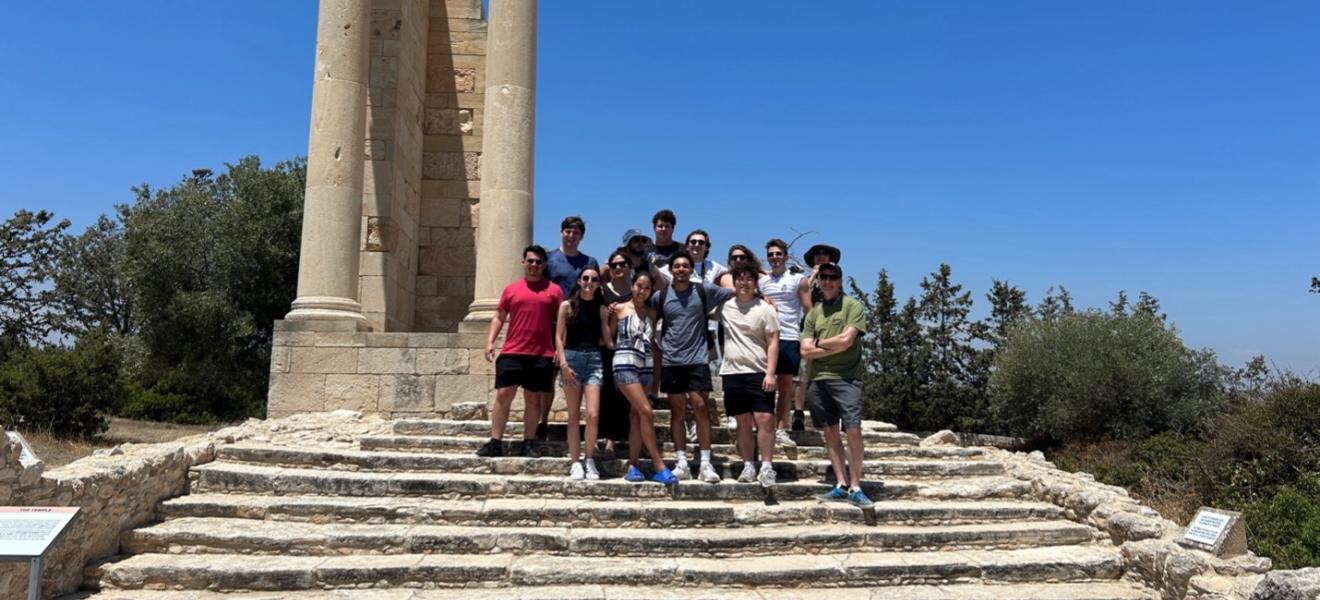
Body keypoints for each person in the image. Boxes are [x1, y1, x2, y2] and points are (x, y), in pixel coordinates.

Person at [650, 250, 734, 482]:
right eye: (676, 266)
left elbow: (732, 293)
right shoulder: (661, 295)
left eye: (685, 266)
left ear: (691, 269)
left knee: (701, 408)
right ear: (671, 270)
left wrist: (763, 295)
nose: (681, 270)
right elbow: (646, 310)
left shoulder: (703, 290)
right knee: (677, 413)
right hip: (671, 361)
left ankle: (706, 463)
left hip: (697, 359)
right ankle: (682, 462)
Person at [478, 245, 563, 459]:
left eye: (538, 262)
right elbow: (499, 316)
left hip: (542, 353)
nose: (534, 265)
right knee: (503, 395)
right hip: (513, 350)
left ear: (545, 265)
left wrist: (559, 349)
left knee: (533, 399)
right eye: (530, 261)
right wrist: (490, 341)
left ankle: (529, 442)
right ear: (523, 262)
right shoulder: (511, 289)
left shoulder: (554, 291)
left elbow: (561, 322)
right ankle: (495, 441)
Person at [800, 261, 873, 508]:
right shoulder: (814, 313)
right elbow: (804, 350)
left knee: (853, 429)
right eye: (823, 277)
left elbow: (847, 341)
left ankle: (856, 485)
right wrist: (829, 345)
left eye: (832, 277)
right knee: (829, 432)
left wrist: (818, 344)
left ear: (840, 280)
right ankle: (841, 483)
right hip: (819, 380)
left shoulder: (853, 307)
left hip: (847, 378)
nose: (827, 281)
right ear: (819, 281)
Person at [608, 272, 677, 485]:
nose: (642, 291)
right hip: (625, 362)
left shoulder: (651, 313)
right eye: (639, 286)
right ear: (632, 285)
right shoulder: (618, 308)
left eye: (646, 288)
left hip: (645, 366)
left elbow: (654, 347)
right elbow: (609, 337)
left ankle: (633, 464)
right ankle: (658, 464)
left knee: (637, 416)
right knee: (646, 411)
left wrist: (656, 381)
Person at [718, 262, 781, 487]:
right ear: (734, 283)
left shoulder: (765, 309)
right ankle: (748, 465)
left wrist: (771, 373)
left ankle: (766, 467)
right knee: (743, 422)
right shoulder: (724, 307)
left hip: (758, 371)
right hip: (732, 372)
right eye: (740, 279)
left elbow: (774, 341)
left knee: (765, 419)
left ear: (755, 283)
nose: (744, 283)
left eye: (748, 279)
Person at [555, 266, 610, 480]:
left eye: (594, 279)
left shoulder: (601, 309)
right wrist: (564, 364)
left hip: (594, 359)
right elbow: (559, 337)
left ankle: (589, 460)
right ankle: (575, 461)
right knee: (573, 415)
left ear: (598, 283)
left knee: (593, 415)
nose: (589, 282)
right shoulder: (567, 306)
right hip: (572, 359)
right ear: (579, 281)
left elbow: (607, 340)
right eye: (585, 278)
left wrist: (613, 319)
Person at [759, 238, 812, 445]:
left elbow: (809, 309)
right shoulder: (762, 282)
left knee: (785, 385)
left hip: (789, 335)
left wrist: (809, 335)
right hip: (765, 337)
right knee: (764, 384)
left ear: (786, 256)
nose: (774, 258)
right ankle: (765, 427)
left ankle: (782, 429)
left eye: (778, 254)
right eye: (771, 254)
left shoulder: (798, 279)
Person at [794, 243, 842, 432]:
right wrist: (813, 275)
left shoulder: (835, 278)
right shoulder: (806, 279)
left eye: (825, 254)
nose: (821, 257)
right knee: (804, 374)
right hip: (809, 330)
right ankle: (798, 413)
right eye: (817, 254)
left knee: (833, 374)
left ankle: (833, 414)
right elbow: (800, 295)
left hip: (831, 331)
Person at [596, 249, 635, 457]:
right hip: (607, 347)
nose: (619, 268)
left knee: (627, 395)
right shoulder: (602, 291)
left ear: (630, 267)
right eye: (614, 265)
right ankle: (609, 439)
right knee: (608, 392)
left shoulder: (637, 290)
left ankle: (626, 437)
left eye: (622, 264)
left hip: (632, 348)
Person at [546, 216, 599, 298]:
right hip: (554, 309)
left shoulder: (590, 262)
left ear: (582, 236)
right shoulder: (548, 258)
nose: (571, 235)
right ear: (561, 232)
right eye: (568, 231)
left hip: (581, 309)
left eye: (575, 233)